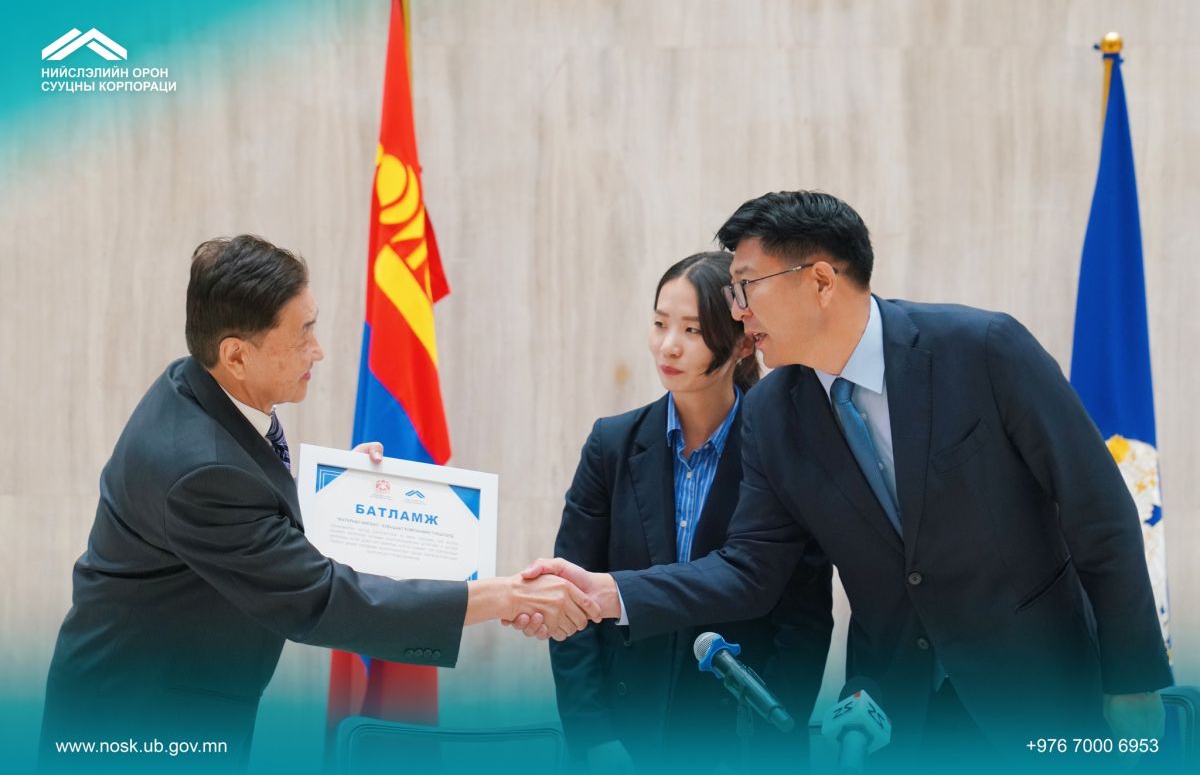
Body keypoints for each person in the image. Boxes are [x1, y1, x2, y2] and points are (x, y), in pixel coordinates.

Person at [521, 192, 1173, 766]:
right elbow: (749, 569)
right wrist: (612, 592)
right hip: (900, 716)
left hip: (1046, 690)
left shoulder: (983, 350)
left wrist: (1133, 679)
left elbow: (1096, 508)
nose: (738, 311)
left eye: (746, 286)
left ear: (820, 281)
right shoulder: (771, 414)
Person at [39, 235, 598, 770]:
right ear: (236, 355)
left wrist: (344, 494)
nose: (319, 351)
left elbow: (245, 515)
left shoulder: (199, 387)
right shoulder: (198, 469)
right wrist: (504, 595)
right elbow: (323, 601)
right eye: (303, 333)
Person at [546, 253, 832, 774]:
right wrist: (595, 738)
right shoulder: (612, 445)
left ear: (743, 341)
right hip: (623, 739)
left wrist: (767, 741)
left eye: (693, 330)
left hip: (739, 740)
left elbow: (805, 622)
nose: (668, 345)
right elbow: (570, 598)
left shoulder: (781, 451)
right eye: (660, 324)